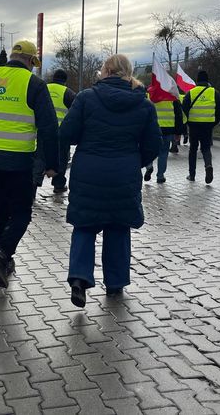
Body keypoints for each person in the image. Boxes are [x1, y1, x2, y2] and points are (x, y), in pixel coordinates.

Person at [59, 54, 161, 308]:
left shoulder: (86, 98)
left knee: (84, 224)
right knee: (118, 225)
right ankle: (115, 283)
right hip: (124, 173)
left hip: (88, 172)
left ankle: (79, 279)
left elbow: (67, 134)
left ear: (105, 71)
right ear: (128, 72)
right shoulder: (144, 104)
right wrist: (133, 162)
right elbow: (153, 145)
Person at [0, 40, 59, 288]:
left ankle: (2, 264)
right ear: (30, 61)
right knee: (21, 213)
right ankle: (2, 255)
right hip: (19, 161)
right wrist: (51, 163)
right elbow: (49, 127)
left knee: (0, 209)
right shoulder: (34, 84)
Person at [33, 69, 76, 194]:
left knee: (39, 158)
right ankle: (58, 185)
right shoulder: (68, 93)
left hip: (40, 131)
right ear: (65, 80)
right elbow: (75, 114)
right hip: (60, 133)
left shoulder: (42, 88)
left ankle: (33, 186)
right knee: (61, 159)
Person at [182, 70, 220, 183]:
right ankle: (208, 165)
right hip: (207, 126)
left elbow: (184, 110)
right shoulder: (214, 93)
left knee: (193, 150)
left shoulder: (191, 93)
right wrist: (212, 123)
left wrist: (187, 123)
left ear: (197, 80)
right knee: (206, 148)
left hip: (194, 125)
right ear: (207, 80)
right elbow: (219, 111)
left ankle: (192, 175)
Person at [144, 91, 184, 183]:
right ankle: (160, 176)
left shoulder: (150, 94)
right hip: (167, 128)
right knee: (163, 153)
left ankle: (149, 166)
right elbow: (178, 114)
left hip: (152, 128)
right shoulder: (173, 96)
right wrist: (178, 132)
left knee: (149, 149)